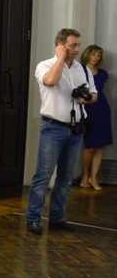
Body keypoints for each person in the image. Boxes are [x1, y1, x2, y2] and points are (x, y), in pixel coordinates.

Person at [25, 28, 97, 234]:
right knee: (43, 175)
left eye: (78, 45)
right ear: (61, 46)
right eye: (73, 45)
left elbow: (94, 95)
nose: (77, 49)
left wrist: (86, 99)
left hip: (75, 130)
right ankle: (33, 218)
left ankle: (57, 217)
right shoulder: (45, 66)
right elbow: (50, 81)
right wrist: (60, 59)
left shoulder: (83, 69)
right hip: (53, 128)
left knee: (65, 178)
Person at [78, 45, 111, 190]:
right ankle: (85, 176)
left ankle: (94, 177)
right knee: (90, 146)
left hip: (102, 108)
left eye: (98, 55)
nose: (96, 58)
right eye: (93, 55)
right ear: (87, 55)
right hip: (88, 109)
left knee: (101, 145)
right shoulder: (80, 71)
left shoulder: (102, 73)